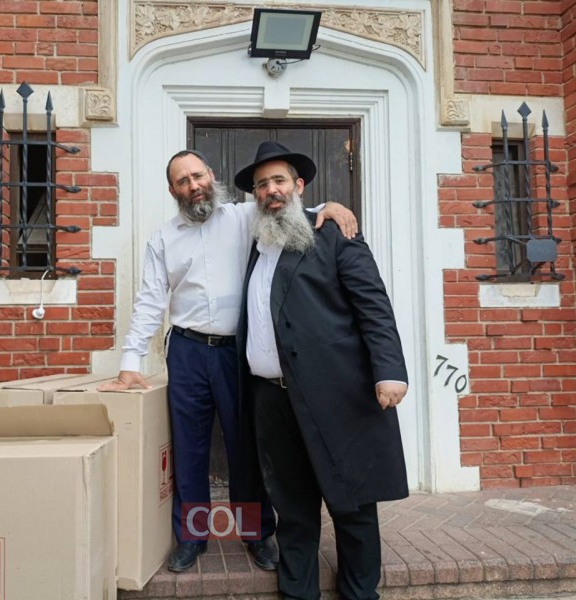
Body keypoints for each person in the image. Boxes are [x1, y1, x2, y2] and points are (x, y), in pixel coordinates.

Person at [98, 149, 358, 573]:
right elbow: (150, 301)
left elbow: (285, 205)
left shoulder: (242, 217)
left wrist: (328, 207)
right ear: (173, 190)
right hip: (186, 351)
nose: (194, 185)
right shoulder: (162, 239)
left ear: (211, 175)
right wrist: (131, 361)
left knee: (245, 447)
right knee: (189, 448)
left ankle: (256, 533)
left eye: (197, 175)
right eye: (183, 181)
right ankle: (192, 537)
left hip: (236, 352)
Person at [233, 141, 409, 600]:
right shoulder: (256, 242)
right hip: (272, 398)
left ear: (299, 186)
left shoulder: (333, 234)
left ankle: (359, 593)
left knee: (352, 502)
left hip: (335, 392)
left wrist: (390, 370)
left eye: (279, 181)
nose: (270, 190)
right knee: (292, 508)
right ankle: (298, 593)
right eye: (261, 185)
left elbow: (373, 306)